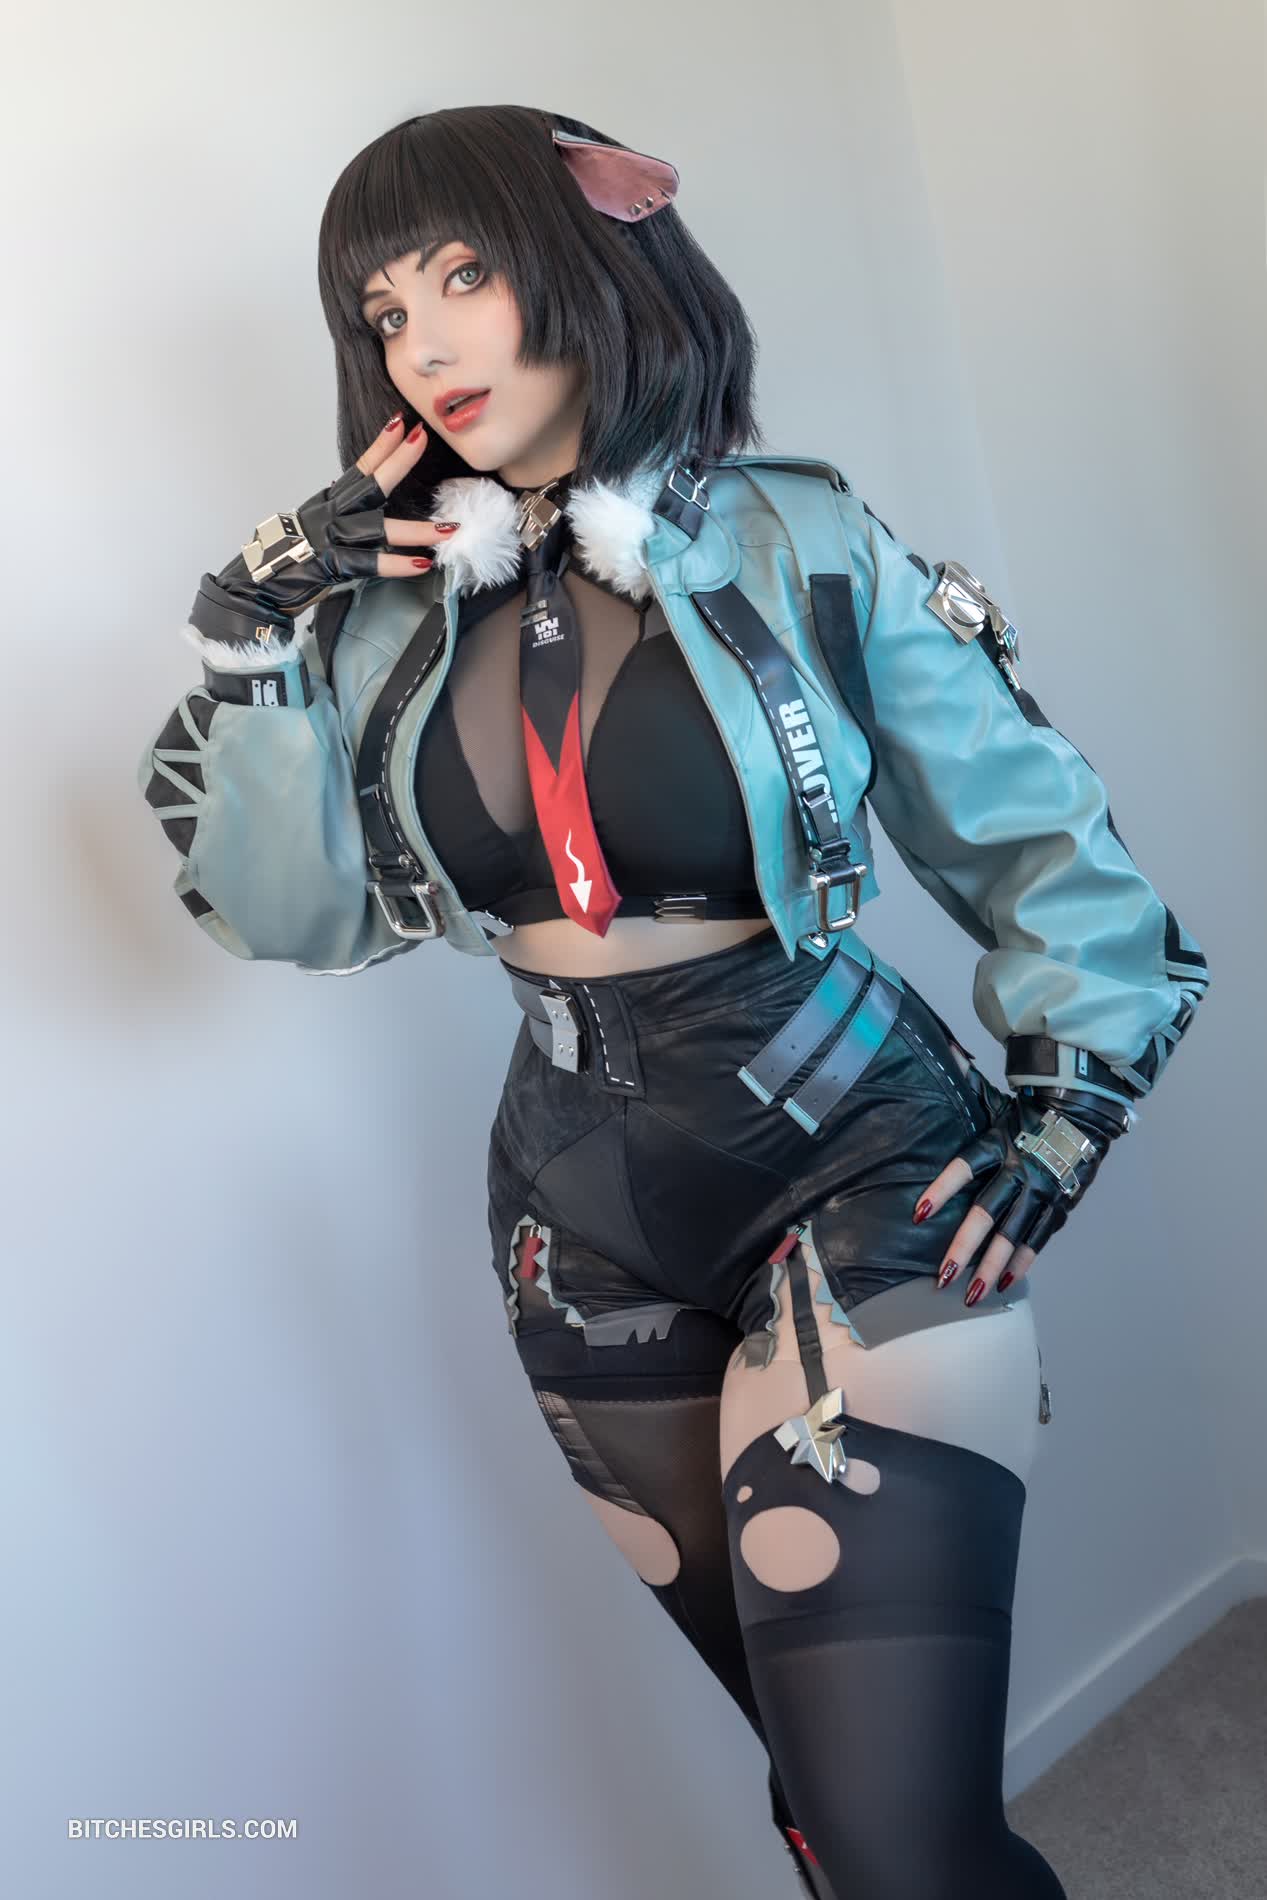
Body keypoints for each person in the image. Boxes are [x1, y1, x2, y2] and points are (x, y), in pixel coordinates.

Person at [137, 103, 1210, 1899]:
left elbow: (1041, 844)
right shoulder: (374, 621)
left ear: (583, 265)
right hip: (573, 1216)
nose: (427, 342)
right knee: (822, 1801)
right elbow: (289, 915)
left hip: (855, 1156)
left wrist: (1068, 1107)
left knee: (900, 1836)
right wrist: (247, 635)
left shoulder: (797, 536)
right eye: (385, 312)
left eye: (466, 275)